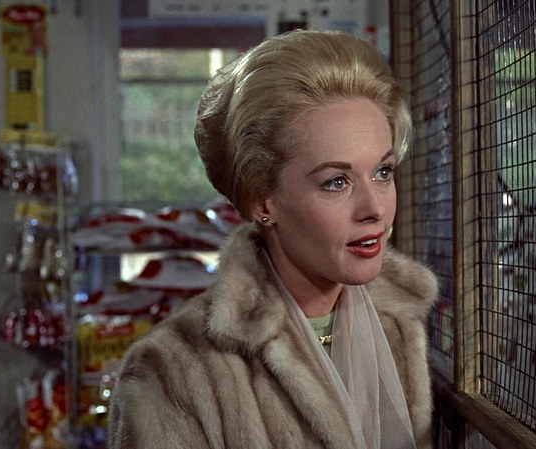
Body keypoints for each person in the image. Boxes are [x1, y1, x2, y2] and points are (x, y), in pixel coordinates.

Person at [107, 29, 439, 449]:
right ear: (262, 200)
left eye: (383, 172)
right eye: (336, 182)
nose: (374, 208)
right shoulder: (171, 374)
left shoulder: (401, 321)